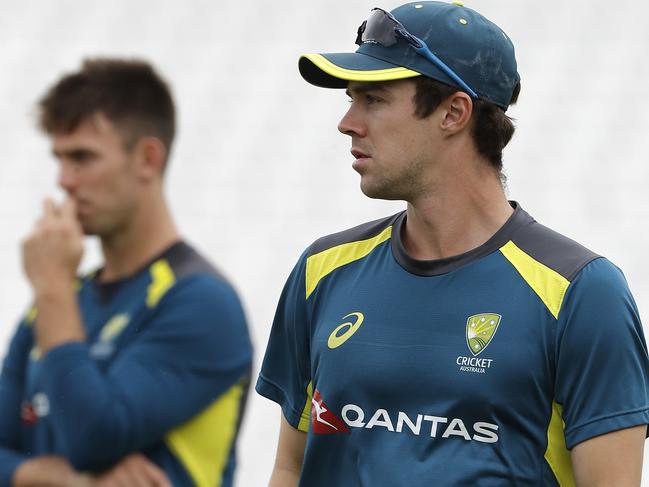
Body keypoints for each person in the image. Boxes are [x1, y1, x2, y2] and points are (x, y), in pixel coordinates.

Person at [255, 2, 649, 485]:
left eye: (373, 100)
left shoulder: (582, 292)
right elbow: (290, 466)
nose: (348, 122)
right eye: (350, 99)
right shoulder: (322, 269)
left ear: (453, 112)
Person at [0, 59, 253, 487]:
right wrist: (54, 477)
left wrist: (53, 288)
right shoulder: (57, 299)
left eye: (82, 157)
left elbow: (93, 438)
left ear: (147, 158)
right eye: (59, 159)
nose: (64, 181)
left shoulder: (202, 301)